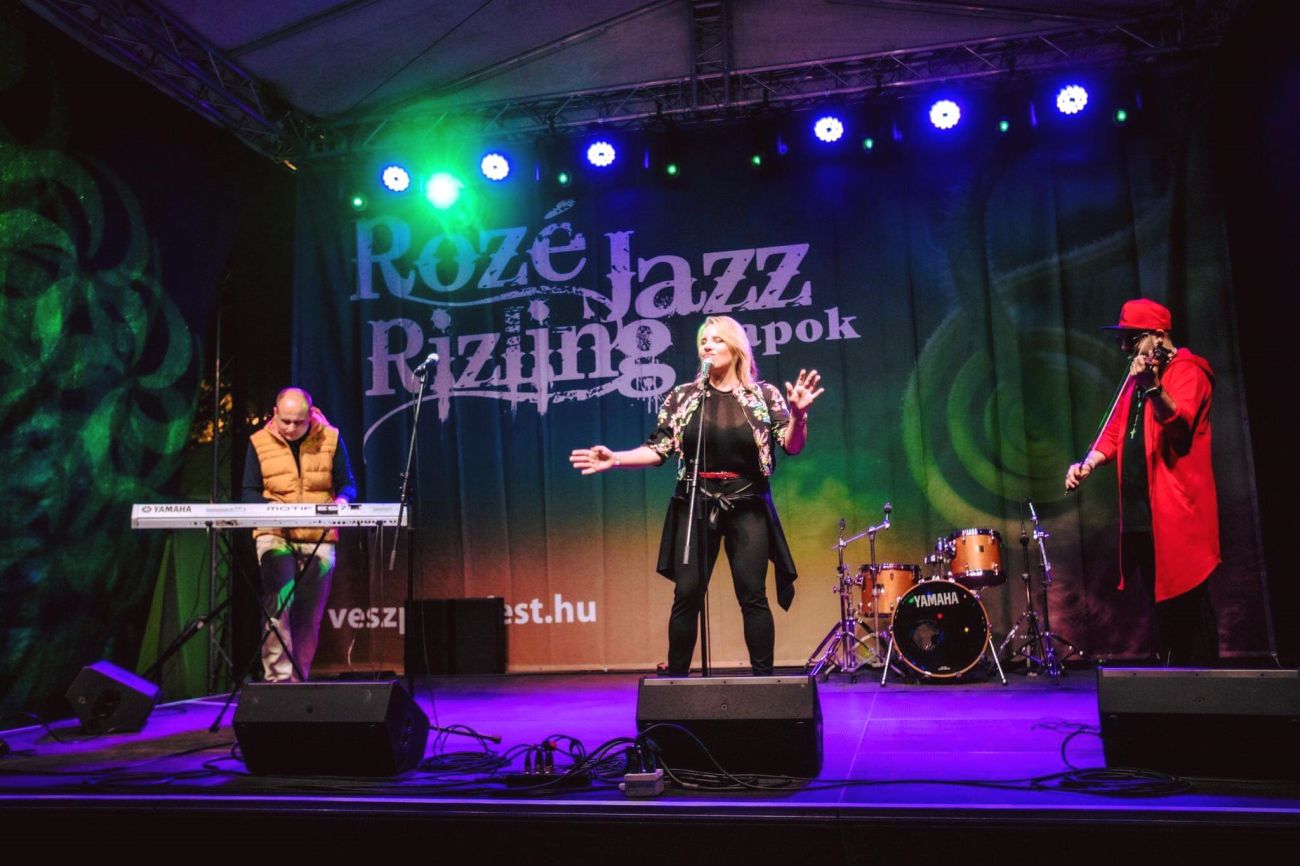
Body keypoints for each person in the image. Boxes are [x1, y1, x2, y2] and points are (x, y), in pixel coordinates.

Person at [570, 316, 824, 676]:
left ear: (735, 348)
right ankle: (675, 683)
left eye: (717, 339)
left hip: (747, 502)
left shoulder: (762, 396)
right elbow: (659, 448)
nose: (707, 345)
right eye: (703, 340)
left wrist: (798, 415)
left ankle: (764, 686)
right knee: (687, 594)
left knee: (752, 594)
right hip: (696, 501)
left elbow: (791, 444)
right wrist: (616, 459)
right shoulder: (684, 397)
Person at [1065, 299, 1219, 666]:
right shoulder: (1138, 380)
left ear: (1158, 336)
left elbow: (1179, 425)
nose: (1124, 348)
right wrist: (1087, 463)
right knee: (1161, 608)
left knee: (1187, 605)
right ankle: (1173, 686)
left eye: (1131, 339)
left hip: (1177, 513)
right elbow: (1115, 432)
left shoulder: (1188, 371)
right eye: (1121, 339)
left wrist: (1152, 387)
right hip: (1142, 514)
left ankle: (1203, 688)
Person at [241, 387, 357, 682]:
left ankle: (297, 680)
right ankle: (278, 680)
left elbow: (347, 483)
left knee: (309, 614)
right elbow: (249, 492)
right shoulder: (259, 442)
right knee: (278, 605)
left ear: (311, 416)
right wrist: (270, 509)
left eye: (299, 422)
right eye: (286, 421)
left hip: (319, 535)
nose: (291, 428)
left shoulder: (330, 438)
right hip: (274, 533)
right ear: (275, 413)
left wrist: (342, 500)